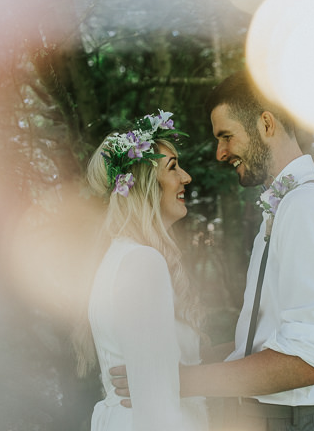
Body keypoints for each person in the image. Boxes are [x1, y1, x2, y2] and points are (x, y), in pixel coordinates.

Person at [112, 71, 314, 431]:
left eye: (226, 136)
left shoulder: (309, 206)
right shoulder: (287, 202)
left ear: (265, 124)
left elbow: (305, 361)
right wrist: (181, 359)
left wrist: (174, 382)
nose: (220, 153)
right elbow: (270, 337)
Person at [76, 110, 208, 431]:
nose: (186, 177)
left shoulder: (122, 256)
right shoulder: (142, 263)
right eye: (173, 167)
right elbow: (157, 408)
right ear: (144, 184)